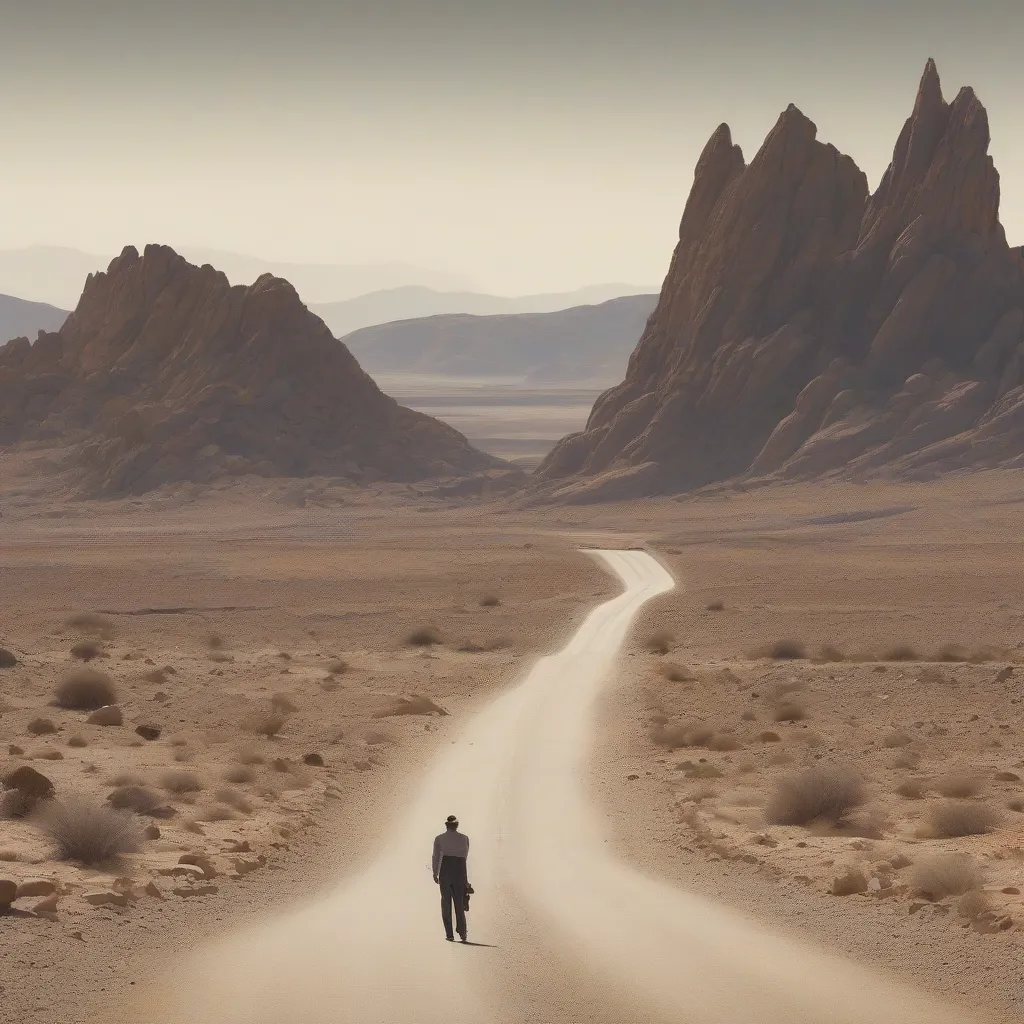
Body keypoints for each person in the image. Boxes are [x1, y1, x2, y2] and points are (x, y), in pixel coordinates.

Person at [432, 814, 470, 942]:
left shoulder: (439, 838)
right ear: (457, 825)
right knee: (459, 902)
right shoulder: (465, 838)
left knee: (446, 902)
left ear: (446, 826)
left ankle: (449, 934)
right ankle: (463, 933)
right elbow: (465, 856)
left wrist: (435, 872)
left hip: (446, 870)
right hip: (460, 869)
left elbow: (436, 857)